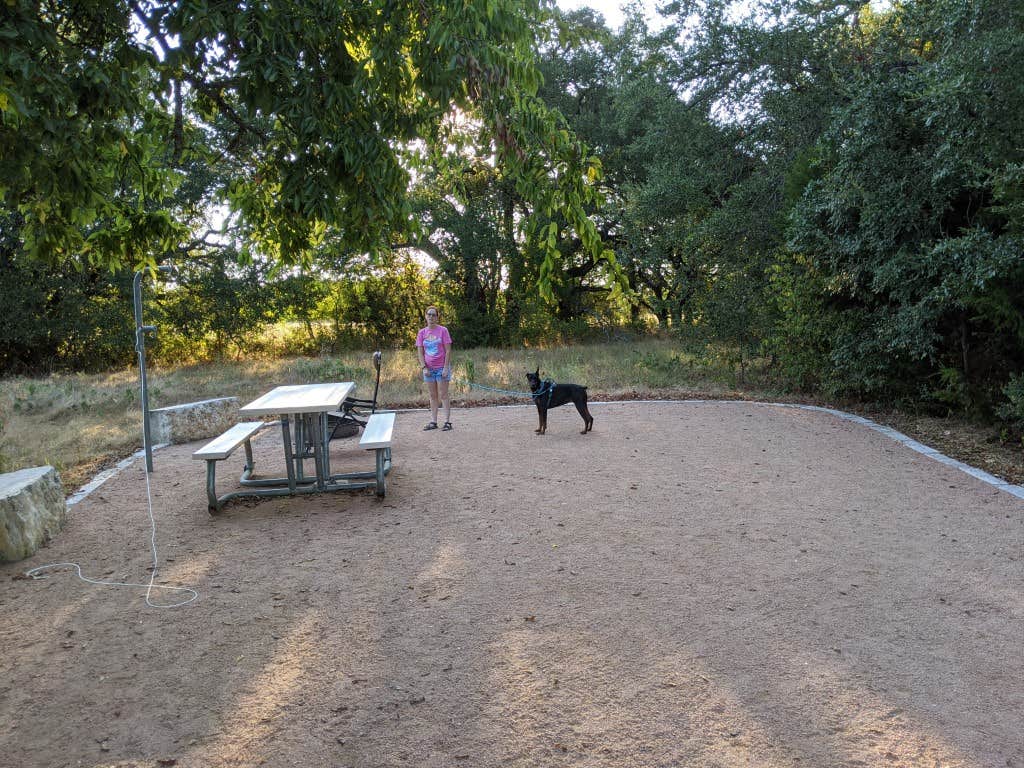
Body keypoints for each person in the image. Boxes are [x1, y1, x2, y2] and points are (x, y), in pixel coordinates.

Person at [416, 306, 453, 431]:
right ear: (426, 316)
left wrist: (446, 368)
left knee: (443, 394)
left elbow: (448, 351)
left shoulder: (443, 331)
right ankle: (434, 421)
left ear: (437, 317)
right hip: (428, 370)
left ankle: (447, 422)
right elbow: (420, 352)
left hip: (441, 369)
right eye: (429, 314)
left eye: (434, 315)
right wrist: (424, 367)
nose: (431, 317)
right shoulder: (422, 333)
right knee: (432, 396)